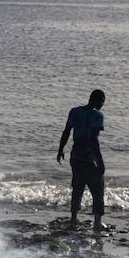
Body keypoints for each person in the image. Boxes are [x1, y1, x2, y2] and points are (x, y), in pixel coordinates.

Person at [55, 89, 106, 231]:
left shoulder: (75, 112)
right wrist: (100, 162)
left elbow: (66, 131)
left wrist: (60, 149)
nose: (103, 104)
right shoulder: (97, 116)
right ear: (99, 100)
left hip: (76, 155)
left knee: (77, 188)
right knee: (98, 189)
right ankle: (97, 222)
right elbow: (93, 139)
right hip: (89, 157)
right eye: (102, 101)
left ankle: (73, 219)